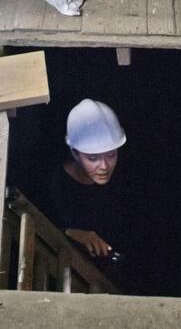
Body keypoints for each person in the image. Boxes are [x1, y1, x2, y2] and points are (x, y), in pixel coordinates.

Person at [45, 99, 135, 286]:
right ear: (75, 153)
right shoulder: (57, 188)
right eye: (92, 158)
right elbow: (44, 227)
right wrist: (72, 233)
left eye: (111, 154)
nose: (104, 166)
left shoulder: (124, 176)